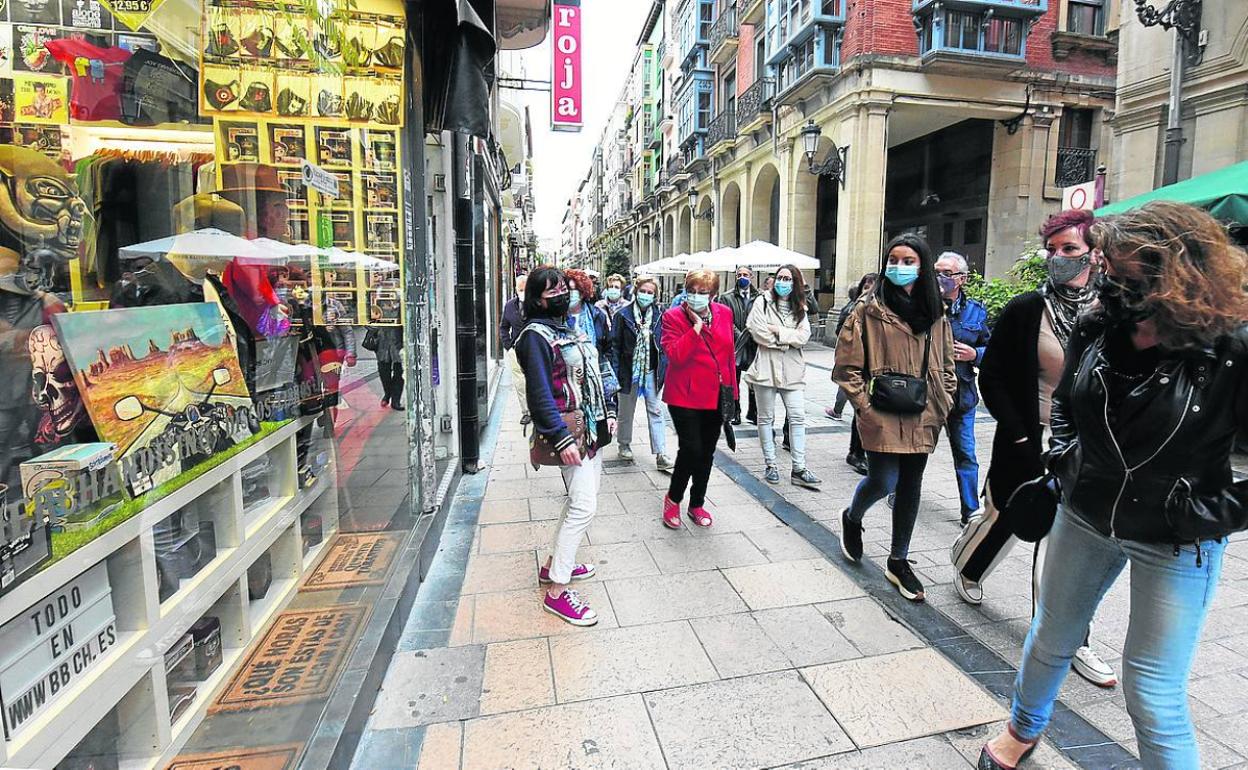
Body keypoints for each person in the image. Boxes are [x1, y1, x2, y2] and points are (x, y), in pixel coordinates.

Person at [979, 202, 1248, 770]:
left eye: (1128, 273)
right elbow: (1067, 403)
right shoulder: (1101, 321)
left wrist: (1205, 513)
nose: (1113, 283)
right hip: (1086, 510)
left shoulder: (1231, 347)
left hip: (1177, 535)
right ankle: (1023, 728)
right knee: (1051, 637)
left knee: (1151, 689)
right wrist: (1066, 456)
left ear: (1177, 271)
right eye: (1110, 269)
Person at [951, 210, 1117, 690]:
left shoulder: (1113, 311)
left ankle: (1070, 639)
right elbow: (995, 375)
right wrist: (1023, 435)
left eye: (1070, 249)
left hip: (1088, 449)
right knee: (1004, 517)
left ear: (1096, 254)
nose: (1059, 258)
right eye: (1054, 249)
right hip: (1030, 437)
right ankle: (968, 564)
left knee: (1068, 544)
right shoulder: (1027, 309)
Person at [833, 234, 957, 602]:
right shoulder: (867, 310)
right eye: (894, 259)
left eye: (909, 261)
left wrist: (944, 397)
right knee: (884, 479)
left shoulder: (935, 313)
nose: (899, 267)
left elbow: (947, 360)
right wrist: (865, 408)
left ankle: (899, 559)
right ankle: (853, 517)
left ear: (922, 266)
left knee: (911, 485)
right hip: (882, 410)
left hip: (924, 410)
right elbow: (846, 367)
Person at [515, 266, 617, 626]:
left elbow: (595, 370)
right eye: (553, 288)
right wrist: (560, 438)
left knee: (579, 502)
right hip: (570, 431)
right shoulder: (534, 336)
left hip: (592, 428)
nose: (562, 292)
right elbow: (540, 394)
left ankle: (553, 565)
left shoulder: (568, 328)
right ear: (537, 298)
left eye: (565, 286)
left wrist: (611, 411)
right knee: (585, 508)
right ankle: (557, 592)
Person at [661, 269, 736, 529]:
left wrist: (732, 396)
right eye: (691, 291)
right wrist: (696, 328)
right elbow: (675, 356)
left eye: (702, 293)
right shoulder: (672, 316)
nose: (695, 297)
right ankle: (673, 499)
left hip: (716, 394)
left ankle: (697, 503)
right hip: (684, 395)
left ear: (713, 295)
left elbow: (728, 357)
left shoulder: (725, 313)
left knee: (707, 452)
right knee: (691, 449)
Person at [745, 264, 821, 489]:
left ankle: (799, 467)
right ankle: (771, 464)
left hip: (792, 369)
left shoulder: (800, 306)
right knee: (766, 418)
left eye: (788, 279)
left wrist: (777, 331)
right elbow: (756, 330)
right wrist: (787, 339)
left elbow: (804, 336)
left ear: (795, 282)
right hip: (766, 367)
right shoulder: (762, 301)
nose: (783, 282)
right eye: (780, 277)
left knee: (797, 417)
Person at [934, 251, 990, 525]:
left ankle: (970, 510)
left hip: (962, 397)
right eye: (936, 272)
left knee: (966, 454)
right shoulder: (923, 307)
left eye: (946, 273)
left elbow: (995, 350)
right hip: (928, 396)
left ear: (962, 279)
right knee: (914, 452)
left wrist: (975, 354)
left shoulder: (976, 312)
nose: (939, 278)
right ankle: (900, 492)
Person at [610, 275, 673, 471]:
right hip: (629, 370)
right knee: (626, 411)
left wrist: (665, 365)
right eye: (643, 291)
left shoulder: (661, 315)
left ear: (655, 295)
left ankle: (661, 453)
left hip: (651, 371)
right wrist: (615, 373)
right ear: (636, 291)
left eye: (650, 292)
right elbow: (615, 346)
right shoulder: (623, 315)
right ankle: (624, 444)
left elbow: (664, 343)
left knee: (655, 410)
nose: (646, 295)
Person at [721, 266, 760, 425]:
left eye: (745, 275)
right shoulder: (726, 297)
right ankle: (735, 412)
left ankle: (753, 412)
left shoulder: (760, 297)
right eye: (739, 275)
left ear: (751, 277)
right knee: (733, 380)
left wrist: (755, 333)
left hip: (755, 344)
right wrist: (742, 335)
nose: (742, 277)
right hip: (734, 345)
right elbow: (726, 320)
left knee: (754, 379)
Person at [565, 269, 613, 374]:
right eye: (566, 289)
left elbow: (608, 347)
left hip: (594, 373)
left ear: (582, 293)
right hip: (566, 376)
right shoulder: (558, 317)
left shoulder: (597, 315)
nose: (568, 294)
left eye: (572, 290)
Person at [500, 273, 530, 425]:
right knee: (519, 382)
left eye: (525, 289)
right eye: (520, 289)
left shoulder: (536, 304)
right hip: (516, 349)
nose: (522, 292)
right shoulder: (510, 306)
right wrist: (508, 346)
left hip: (533, 349)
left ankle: (537, 409)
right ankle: (526, 411)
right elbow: (504, 327)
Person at [369, 304, 404, 410]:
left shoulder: (400, 303)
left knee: (399, 372)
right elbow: (365, 320)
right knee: (384, 372)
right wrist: (375, 325)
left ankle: (396, 400)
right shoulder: (375, 302)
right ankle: (388, 394)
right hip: (382, 343)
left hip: (398, 342)